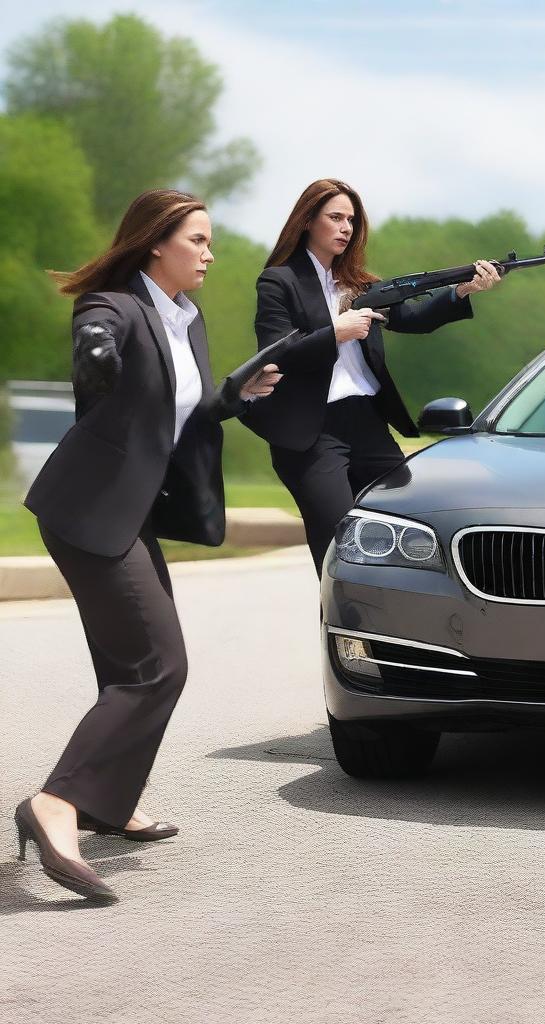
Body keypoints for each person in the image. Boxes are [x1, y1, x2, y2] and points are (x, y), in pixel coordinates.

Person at [16, 189, 282, 903]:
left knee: (125, 666)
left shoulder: (187, 319)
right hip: (88, 509)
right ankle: (56, 805)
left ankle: (108, 802)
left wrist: (236, 396)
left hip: (129, 512)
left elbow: (179, 411)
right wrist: (95, 356)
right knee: (158, 666)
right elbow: (96, 344)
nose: (209, 252)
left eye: (209, 240)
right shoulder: (114, 304)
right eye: (197, 239)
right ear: (157, 242)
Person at [241, 178, 501, 573]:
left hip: (367, 422)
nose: (346, 227)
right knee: (339, 549)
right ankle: (345, 629)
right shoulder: (279, 281)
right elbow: (279, 354)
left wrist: (461, 292)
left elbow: (413, 319)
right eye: (335, 217)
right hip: (313, 432)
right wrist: (337, 331)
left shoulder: (361, 284)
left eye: (351, 220)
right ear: (308, 221)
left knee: (409, 524)